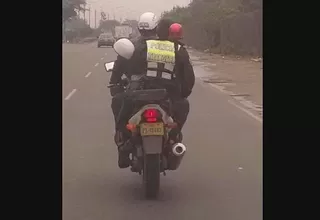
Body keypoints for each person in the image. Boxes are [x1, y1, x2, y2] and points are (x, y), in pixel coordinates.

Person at [109, 12, 160, 168]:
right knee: (181, 107)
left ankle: (123, 146)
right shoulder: (167, 46)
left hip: (135, 93)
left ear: (139, 28)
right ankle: (174, 139)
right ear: (156, 28)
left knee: (118, 106)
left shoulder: (130, 46)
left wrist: (114, 84)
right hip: (164, 93)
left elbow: (117, 71)